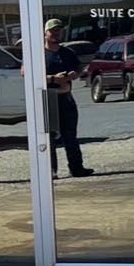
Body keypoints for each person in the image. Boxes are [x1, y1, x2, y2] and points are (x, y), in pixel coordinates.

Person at [43, 19, 92, 178]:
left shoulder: (67, 53)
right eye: (53, 31)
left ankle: (76, 168)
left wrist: (75, 74)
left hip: (66, 99)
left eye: (58, 30)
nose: (56, 33)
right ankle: (51, 171)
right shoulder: (38, 54)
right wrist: (52, 79)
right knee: (48, 137)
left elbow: (80, 69)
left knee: (70, 136)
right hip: (49, 100)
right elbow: (25, 73)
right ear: (45, 33)